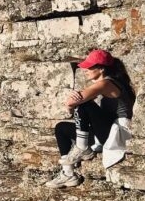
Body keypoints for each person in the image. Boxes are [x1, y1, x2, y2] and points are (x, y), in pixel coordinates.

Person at [45, 49, 136, 189]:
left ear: (101, 68)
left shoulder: (106, 84)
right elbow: (71, 108)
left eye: (89, 67)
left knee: (85, 104)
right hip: (104, 131)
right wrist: (73, 103)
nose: (84, 69)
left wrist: (75, 101)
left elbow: (72, 103)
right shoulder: (101, 85)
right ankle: (68, 173)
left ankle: (82, 148)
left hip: (116, 134)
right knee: (61, 128)